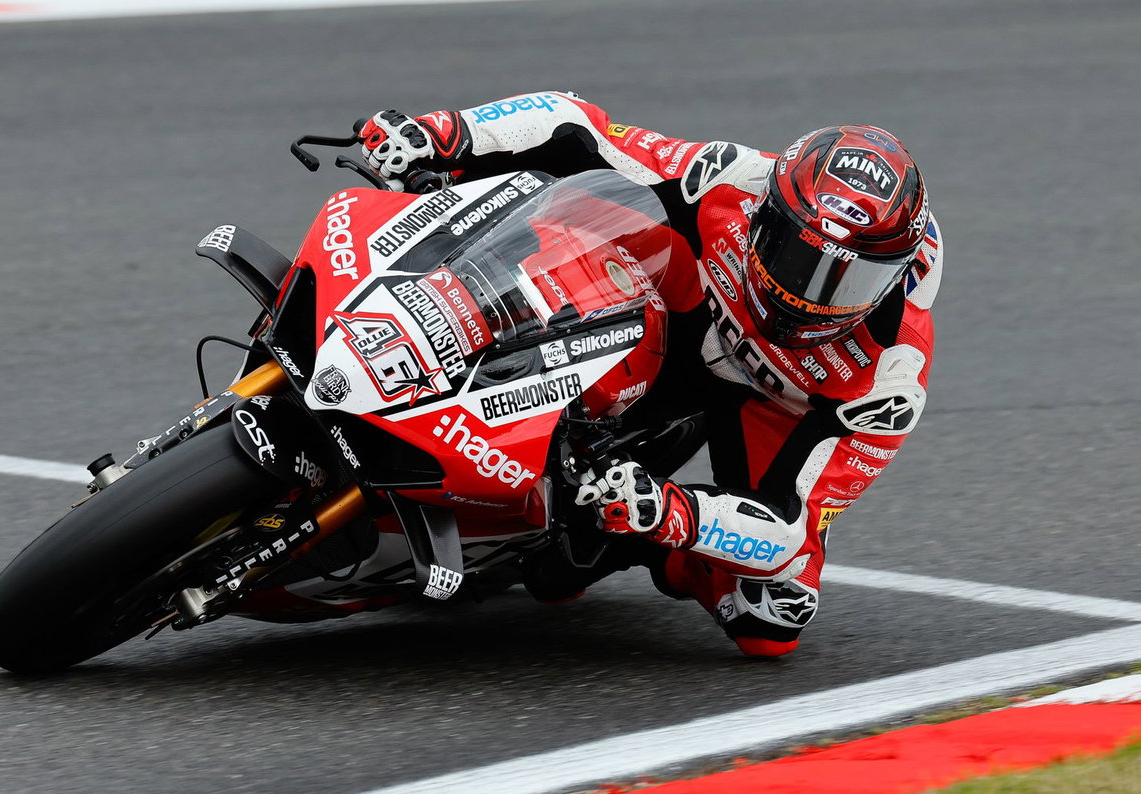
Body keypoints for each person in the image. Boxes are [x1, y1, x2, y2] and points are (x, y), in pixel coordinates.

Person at [356, 92, 941, 658]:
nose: (807, 296)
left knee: (772, 612)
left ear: (894, 278)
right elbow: (580, 127)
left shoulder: (891, 377)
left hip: (771, 412)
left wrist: (669, 514)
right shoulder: (732, 179)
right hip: (684, 316)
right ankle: (455, 328)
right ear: (767, 212)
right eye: (796, 254)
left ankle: (617, 537)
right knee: (586, 213)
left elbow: (787, 530)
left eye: (847, 282)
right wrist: (443, 133)